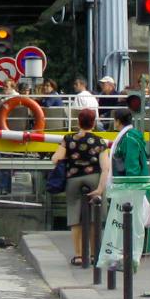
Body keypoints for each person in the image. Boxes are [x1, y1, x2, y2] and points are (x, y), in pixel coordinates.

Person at [50, 107, 110, 265]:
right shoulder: (99, 141)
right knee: (93, 218)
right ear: (94, 123)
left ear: (78, 121)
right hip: (94, 178)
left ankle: (78, 255)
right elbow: (106, 168)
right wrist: (100, 188)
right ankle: (93, 254)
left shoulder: (68, 139)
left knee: (75, 218)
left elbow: (56, 159)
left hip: (74, 179)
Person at [109, 107, 148, 178]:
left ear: (118, 121)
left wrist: (130, 186)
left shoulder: (129, 138)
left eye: (114, 120)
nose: (113, 122)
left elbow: (132, 165)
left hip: (132, 185)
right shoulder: (130, 135)